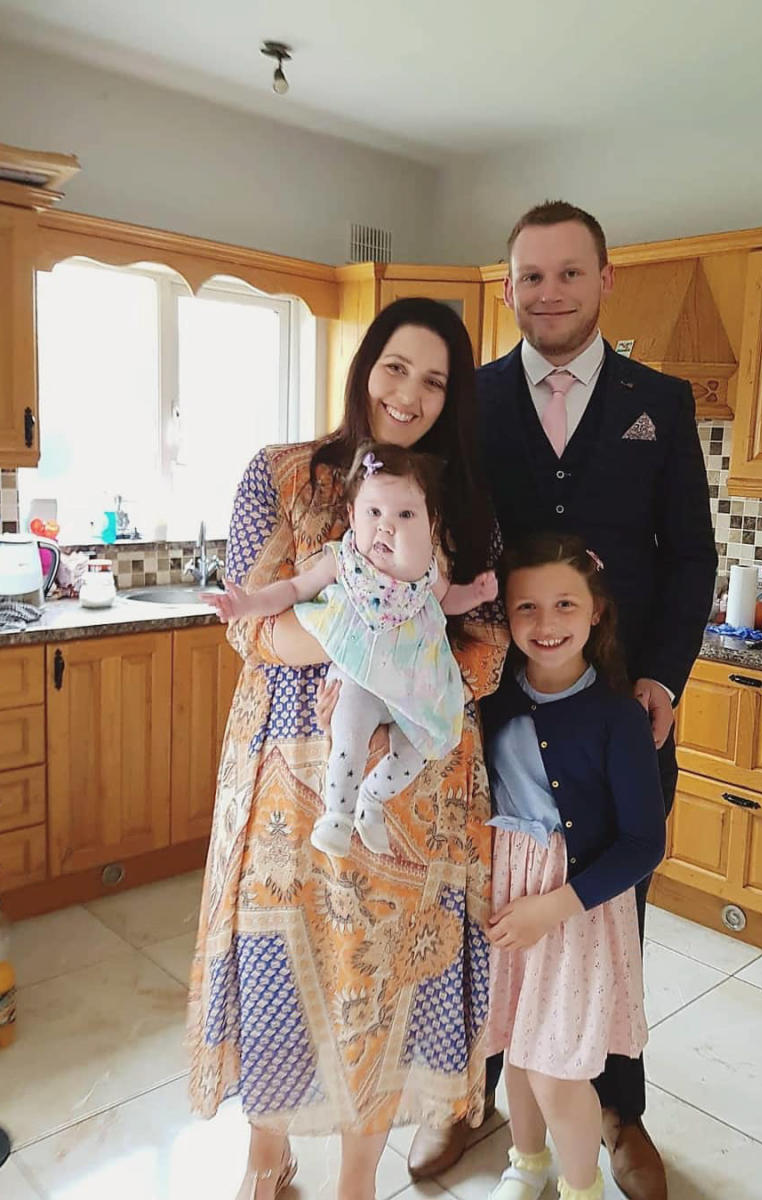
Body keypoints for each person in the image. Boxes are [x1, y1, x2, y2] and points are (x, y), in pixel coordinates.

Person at [407, 202, 717, 1200]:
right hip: (491, 714)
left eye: (567, 274)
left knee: (607, 921)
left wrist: (662, 676)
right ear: (508, 288)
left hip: (618, 708)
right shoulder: (472, 400)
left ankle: (616, 1111)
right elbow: (438, 541)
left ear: (604, 280)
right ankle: (474, 1096)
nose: (548, 293)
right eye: (530, 276)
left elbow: (692, 556)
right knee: (480, 913)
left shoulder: (658, 403)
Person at [187, 297, 507, 1200]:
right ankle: (267, 1154)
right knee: (281, 967)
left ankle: (357, 1182)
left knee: (383, 991)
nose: (410, 393)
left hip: (415, 795)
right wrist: (367, 622)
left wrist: (424, 663)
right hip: (287, 787)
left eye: (435, 380)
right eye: (396, 367)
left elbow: (485, 647)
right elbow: (255, 629)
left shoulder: (461, 502)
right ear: (365, 365)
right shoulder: (282, 475)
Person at [204, 441, 497, 858]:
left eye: (405, 515)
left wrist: (474, 595)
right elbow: (291, 589)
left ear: (430, 523)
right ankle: (337, 815)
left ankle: (372, 801)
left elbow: (446, 604)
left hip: (413, 685)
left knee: (424, 744)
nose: (386, 527)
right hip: (360, 677)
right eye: (373, 513)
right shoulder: (342, 562)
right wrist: (246, 603)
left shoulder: (428, 569)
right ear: (351, 516)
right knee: (349, 729)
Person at [484, 533, 665, 1200]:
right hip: (505, 900)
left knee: (559, 1069)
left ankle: (581, 1187)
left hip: (573, 916)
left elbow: (645, 844)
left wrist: (551, 908)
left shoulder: (619, 718)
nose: (545, 623)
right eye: (525, 607)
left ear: (597, 612)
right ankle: (527, 1164)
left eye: (564, 604)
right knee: (515, 1047)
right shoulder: (493, 700)